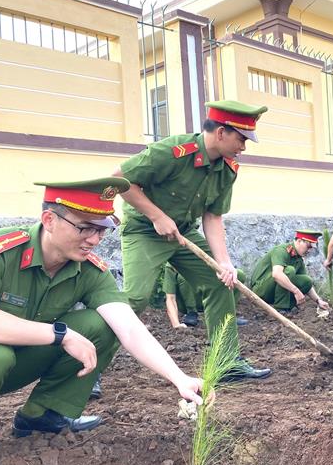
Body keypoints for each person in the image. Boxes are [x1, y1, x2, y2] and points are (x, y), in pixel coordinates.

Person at [0, 178, 209, 465]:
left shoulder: (89, 269)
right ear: (49, 220)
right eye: (85, 228)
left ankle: (42, 414)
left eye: (102, 229)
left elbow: (129, 328)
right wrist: (61, 334)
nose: (94, 239)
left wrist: (179, 378)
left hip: (17, 359)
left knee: (101, 324)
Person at [114, 100, 271, 382]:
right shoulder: (172, 152)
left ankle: (227, 361)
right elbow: (118, 179)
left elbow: (213, 217)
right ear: (221, 133)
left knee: (220, 281)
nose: (244, 147)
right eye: (241, 139)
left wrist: (224, 263)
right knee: (136, 298)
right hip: (144, 231)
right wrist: (157, 216)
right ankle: (84, 361)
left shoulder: (228, 168)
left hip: (183, 231)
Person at [250, 230, 330, 314]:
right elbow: (276, 274)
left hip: (273, 293)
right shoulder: (281, 250)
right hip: (261, 290)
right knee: (289, 271)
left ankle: (287, 307)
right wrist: (296, 291)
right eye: (308, 246)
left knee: (307, 281)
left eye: (312, 248)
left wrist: (319, 301)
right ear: (299, 241)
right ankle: (280, 309)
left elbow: (307, 285)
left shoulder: (298, 259)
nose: (309, 250)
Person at [163, 263, 249, 330]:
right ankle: (192, 313)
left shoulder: (204, 251)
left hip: (209, 295)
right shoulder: (172, 264)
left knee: (237, 274)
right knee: (185, 275)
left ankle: (227, 314)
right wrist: (176, 324)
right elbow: (170, 297)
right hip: (187, 300)